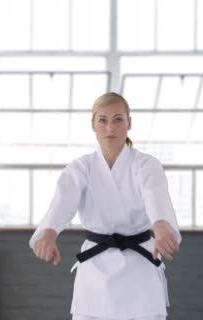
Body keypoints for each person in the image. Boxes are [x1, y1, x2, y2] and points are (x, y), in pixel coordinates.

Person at [29, 92, 182, 320]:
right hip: (95, 267)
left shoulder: (146, 165)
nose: (110, 127)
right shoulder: (81, 168)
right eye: (103, 120)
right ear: (93, 124)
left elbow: (154, 196)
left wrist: (160, 226)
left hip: (139, 264)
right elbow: (63, 201)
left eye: (118, 119)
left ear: (129, 123)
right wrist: (49, 232)